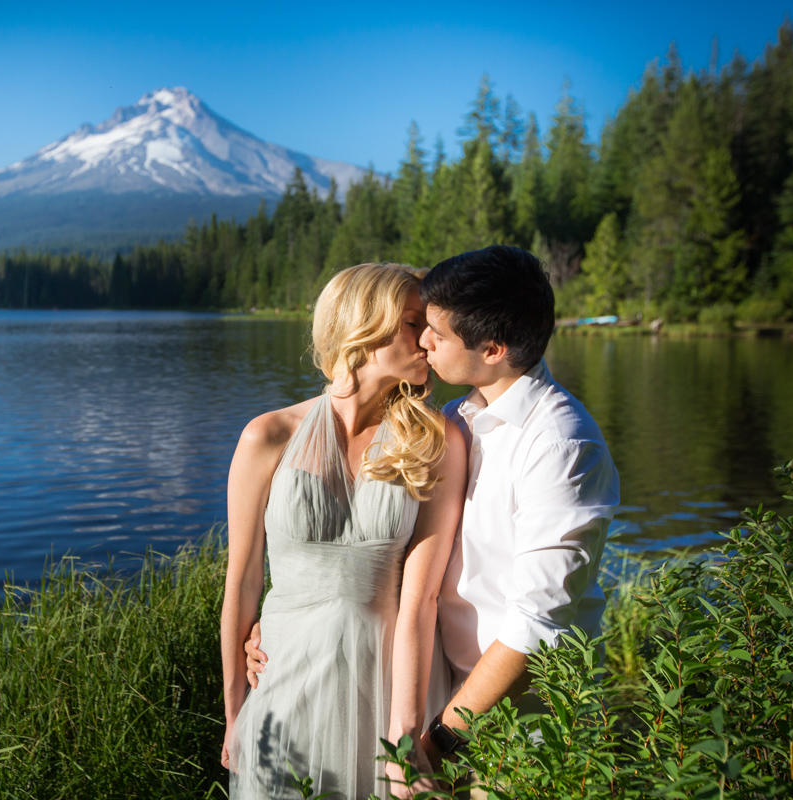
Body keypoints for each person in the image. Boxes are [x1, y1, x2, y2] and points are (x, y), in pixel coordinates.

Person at [245, 246, 619, 794]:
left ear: (492, 348)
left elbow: (536, 624)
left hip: (520, 716)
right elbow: (394, 556)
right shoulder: (452, 421)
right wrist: (290, 620)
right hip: (442, 693)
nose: (422, 342)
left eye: (435, 334)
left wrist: (439, 740)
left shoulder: (562, 445)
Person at [220, 262, 468, 800]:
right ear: (365, 325)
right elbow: (240, 584)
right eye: (412, 323)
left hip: (391, 684)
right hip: (285, 678)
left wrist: (408, 728)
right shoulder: (267, 436)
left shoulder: (436, 439)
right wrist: (234, 709)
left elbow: (421, 595)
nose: (429, 339)